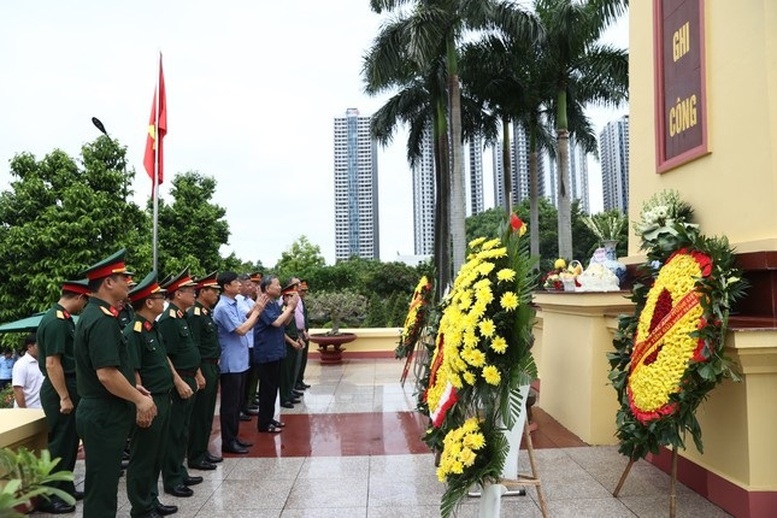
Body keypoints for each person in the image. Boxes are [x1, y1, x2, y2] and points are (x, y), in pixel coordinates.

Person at [74, 248, 157, 518]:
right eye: (124, 278)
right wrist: (139, 399)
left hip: (104, 410)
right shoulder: (102, 320)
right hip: (103, 413)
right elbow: (106, 374)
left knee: (105, 482)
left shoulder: (97, 315)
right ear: (108, 282)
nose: (129, 283)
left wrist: (132, 388)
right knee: (102, 487)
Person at [124, 272, 182, 518]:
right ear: (148, 302)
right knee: (143, 456)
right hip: (148, 399)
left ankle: (151, 499)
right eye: (160, 297)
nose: (164, 301)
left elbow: (163, 359)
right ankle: (140, 507)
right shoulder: (133, 331)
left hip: (162, 396)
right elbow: (134, 371)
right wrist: (142, 405)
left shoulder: (152, 328)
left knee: (156, 453)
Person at [35, 278, 90, 514]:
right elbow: (52, 363)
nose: (84, 305)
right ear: (78, 297)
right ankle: (48, 496)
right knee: (59, 444)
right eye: (85, 301)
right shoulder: (56, 322)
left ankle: (64, 488)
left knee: (69, 443)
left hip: (68, 385)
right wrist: (64, 397)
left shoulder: (63, 319)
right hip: (61, 387)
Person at [157, 268, 203, 498]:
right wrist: (178, 381)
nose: (194, 294)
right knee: (174, 432)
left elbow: (189, 349)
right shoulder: (168, 320)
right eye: (190, 291)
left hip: (189, 377)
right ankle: (172, 479)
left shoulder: (181, 316)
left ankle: (180, 471)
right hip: (179, 381)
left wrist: (197, 374)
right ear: (177, 294)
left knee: (183, 430)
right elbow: (166, 356)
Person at [212, 271, 266, 454]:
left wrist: (258, 308)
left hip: (241, 361)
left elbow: (248, 318)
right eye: (235, 282)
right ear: (226, 286)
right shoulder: (223, 307)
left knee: (237, 403)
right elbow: (241, 329)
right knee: (230, 404)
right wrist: (257, 311)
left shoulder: (234, 303)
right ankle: (228, 441)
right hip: (231, 363)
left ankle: (234, 437)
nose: (239, 285)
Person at [186, 272, 223, 471]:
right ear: (203, 292)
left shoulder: (206, 313)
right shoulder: (195, 315)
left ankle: (203, 450)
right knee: (200, 414)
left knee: (208, 412)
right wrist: (198, 373)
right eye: (213, 290)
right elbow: (195, 348)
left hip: (212, 365)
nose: (217, 294)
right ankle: (195, 455)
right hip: (203, 366)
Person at [254, 275, 297, 433]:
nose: (280, 287)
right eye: (277, 285)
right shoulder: (264, 303)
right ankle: (263, 424)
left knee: (272, 389)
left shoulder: (273, 303)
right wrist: (290, 308)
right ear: (267, 288)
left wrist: (291, 309)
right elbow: (276, 322)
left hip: (276, 351)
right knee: (267, 389)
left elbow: (285, 322)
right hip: (266, 353)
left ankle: (269, 418)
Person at [236, 273, 259, 420]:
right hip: (245, 343)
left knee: (251, 378)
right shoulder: (238, 300)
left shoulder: (249, 300)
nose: (251, 288)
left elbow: (257, 312)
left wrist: (258, 306)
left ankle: (247, 404)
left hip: (252, 343)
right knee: (244, 379)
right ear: (240, 286)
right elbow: (250, 314)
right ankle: (241, 407)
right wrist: (259, 307)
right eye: (248, 285)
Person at [279, 279, 303, 408]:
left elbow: (293, 327)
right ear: (285, 297)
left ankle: (289, 393)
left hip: (294, 342)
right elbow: (281, 331)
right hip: (287, 345)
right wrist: (292, 342)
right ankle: (284, 397)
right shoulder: (283, 310)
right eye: (291, 297)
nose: (295, 300)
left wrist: (298, 339)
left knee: (292, 370)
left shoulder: (290, 310)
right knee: (285, 373)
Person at [12, 334, 44, 408]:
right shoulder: (21, 364)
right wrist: (24, 411)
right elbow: (18, 390)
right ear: (29, 347)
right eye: (39, 345)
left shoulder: (44, 362)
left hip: (42, 409)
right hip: (28, 409)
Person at [294, 280, 312, 391]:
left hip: (303, 332)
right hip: (296, 333)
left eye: (305, 290)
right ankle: (295, 383)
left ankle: (300, 380)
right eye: (301, 290)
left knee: (302, 359)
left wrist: (305, 330)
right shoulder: (290, 300)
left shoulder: (301, 301)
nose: (303, 292)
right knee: (297, 361)